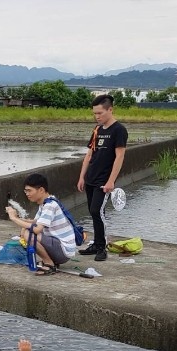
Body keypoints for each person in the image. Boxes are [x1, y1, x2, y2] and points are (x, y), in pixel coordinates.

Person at [76, 94, 128, 262]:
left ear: (110, 110)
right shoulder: (97, 130)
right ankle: (96, 244)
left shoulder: (119, 130)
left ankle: (102, 246)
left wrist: (111, 181)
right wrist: (82, 176)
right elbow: (89, 154)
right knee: (95, 212)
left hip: (104, 180)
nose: (97, 117)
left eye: (100, 113)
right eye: (95, 114)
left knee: (96, 211)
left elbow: (119, 157)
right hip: (91, 177)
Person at [4, 173, 77, 276]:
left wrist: (13, 218)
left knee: (28, 235)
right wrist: (18, 218)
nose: (27, 194)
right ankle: (50, 261)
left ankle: (49, 264)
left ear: (41, 190)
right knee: (26, 230)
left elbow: (37, 229)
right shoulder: (46, 202)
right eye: (25, 191)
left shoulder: (49, 205)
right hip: (61, 248)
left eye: (29, 191)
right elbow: (35, 222)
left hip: (63, 251)